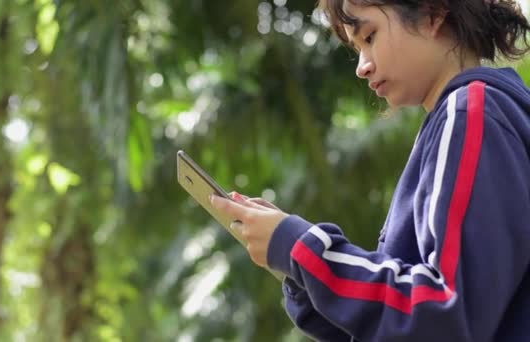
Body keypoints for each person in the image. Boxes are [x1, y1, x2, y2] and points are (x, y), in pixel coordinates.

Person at [210, 0, 530, 341]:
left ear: (432, 14)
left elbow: (447, 312)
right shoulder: (464, 118)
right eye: (356, 47)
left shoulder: (469, 112)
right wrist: (300, 271)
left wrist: (301, 249)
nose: (361, 66)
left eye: (370, 36)